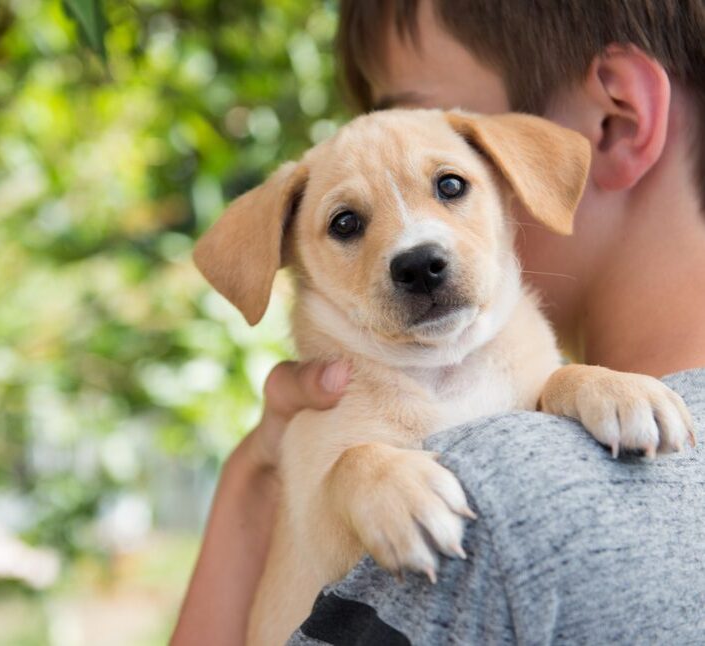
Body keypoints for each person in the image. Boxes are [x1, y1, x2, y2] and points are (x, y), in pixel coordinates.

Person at [172, 0, 705, 643]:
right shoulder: (335, 426)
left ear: (617, 120)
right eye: (347, 224)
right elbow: (334, 549)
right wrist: (340, 473)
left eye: (449, 186)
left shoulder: (508, 500)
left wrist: (572, 385)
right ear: (289, 250)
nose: (415, 249)